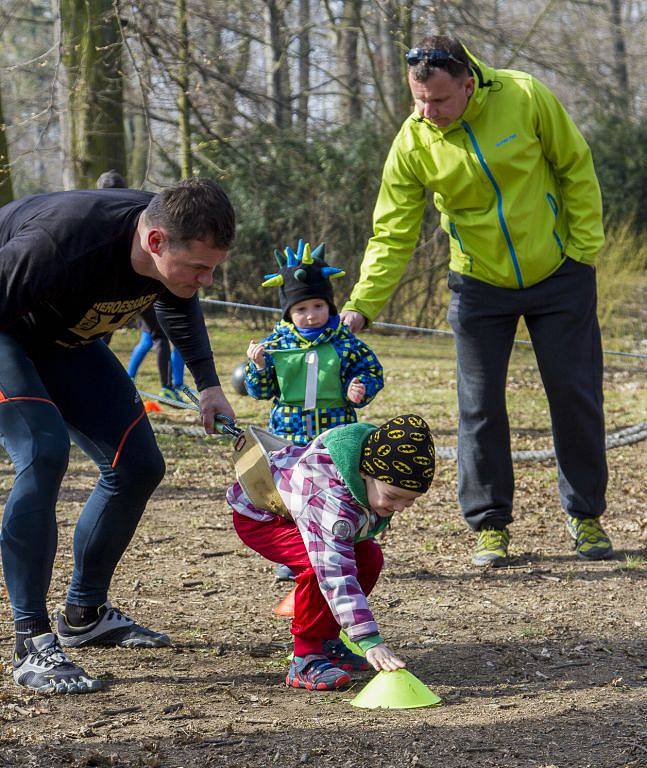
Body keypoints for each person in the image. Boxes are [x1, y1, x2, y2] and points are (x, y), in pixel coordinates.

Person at [341, 35, 612, 567]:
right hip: (477, 283)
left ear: (469, 84)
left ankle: (585, 516)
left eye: (439, 101)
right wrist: (362, 303)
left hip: (559, 273)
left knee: (574, 394)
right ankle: (490, 524)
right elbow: (392, 231)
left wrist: (581, 250)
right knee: (479, 406)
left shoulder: (525, 95)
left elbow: (575, 166)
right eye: (419, 100)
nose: (428, 111)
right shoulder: (413, 141)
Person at [0, 178, 236, 694]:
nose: (208, 280)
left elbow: (177, 296)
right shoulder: (60, 242)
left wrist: (209, 384)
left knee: (138, 466)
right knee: (42, 452)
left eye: (213, 267)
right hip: (6, 329)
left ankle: (85, 613)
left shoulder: (166, 243)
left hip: (65, 339)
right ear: (156, 243)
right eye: (199, 267)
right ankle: (31, 640)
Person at [226, 414, 435, 691]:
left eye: (409, 501)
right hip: (264, 518)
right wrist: (369, 639)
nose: (398, 508)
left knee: (369, 558)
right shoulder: (329, 499)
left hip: (303, 514)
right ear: (364, 473)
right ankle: (306, 657)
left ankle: (327, 642)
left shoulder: (366, 473)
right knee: (317, 568)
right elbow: (333, 569)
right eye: (393, 497)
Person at [245, 239, 384, 445]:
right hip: (286, 435)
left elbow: (372, 371)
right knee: (288, 478)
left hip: (336, 434)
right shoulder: (275, 346)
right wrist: (259, 366)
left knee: (334, 477)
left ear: (329, 305)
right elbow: (260, 392)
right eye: (301, 309)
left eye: (318, 305)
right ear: (288, 313)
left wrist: (359, 387)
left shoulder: (346, 343)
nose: (311, 315)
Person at [127, 305, 187, 401]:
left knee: (148, 339)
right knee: (161, 338)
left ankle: (176, 383)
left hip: (149, 300)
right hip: (159, 301)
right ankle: (168, 388)